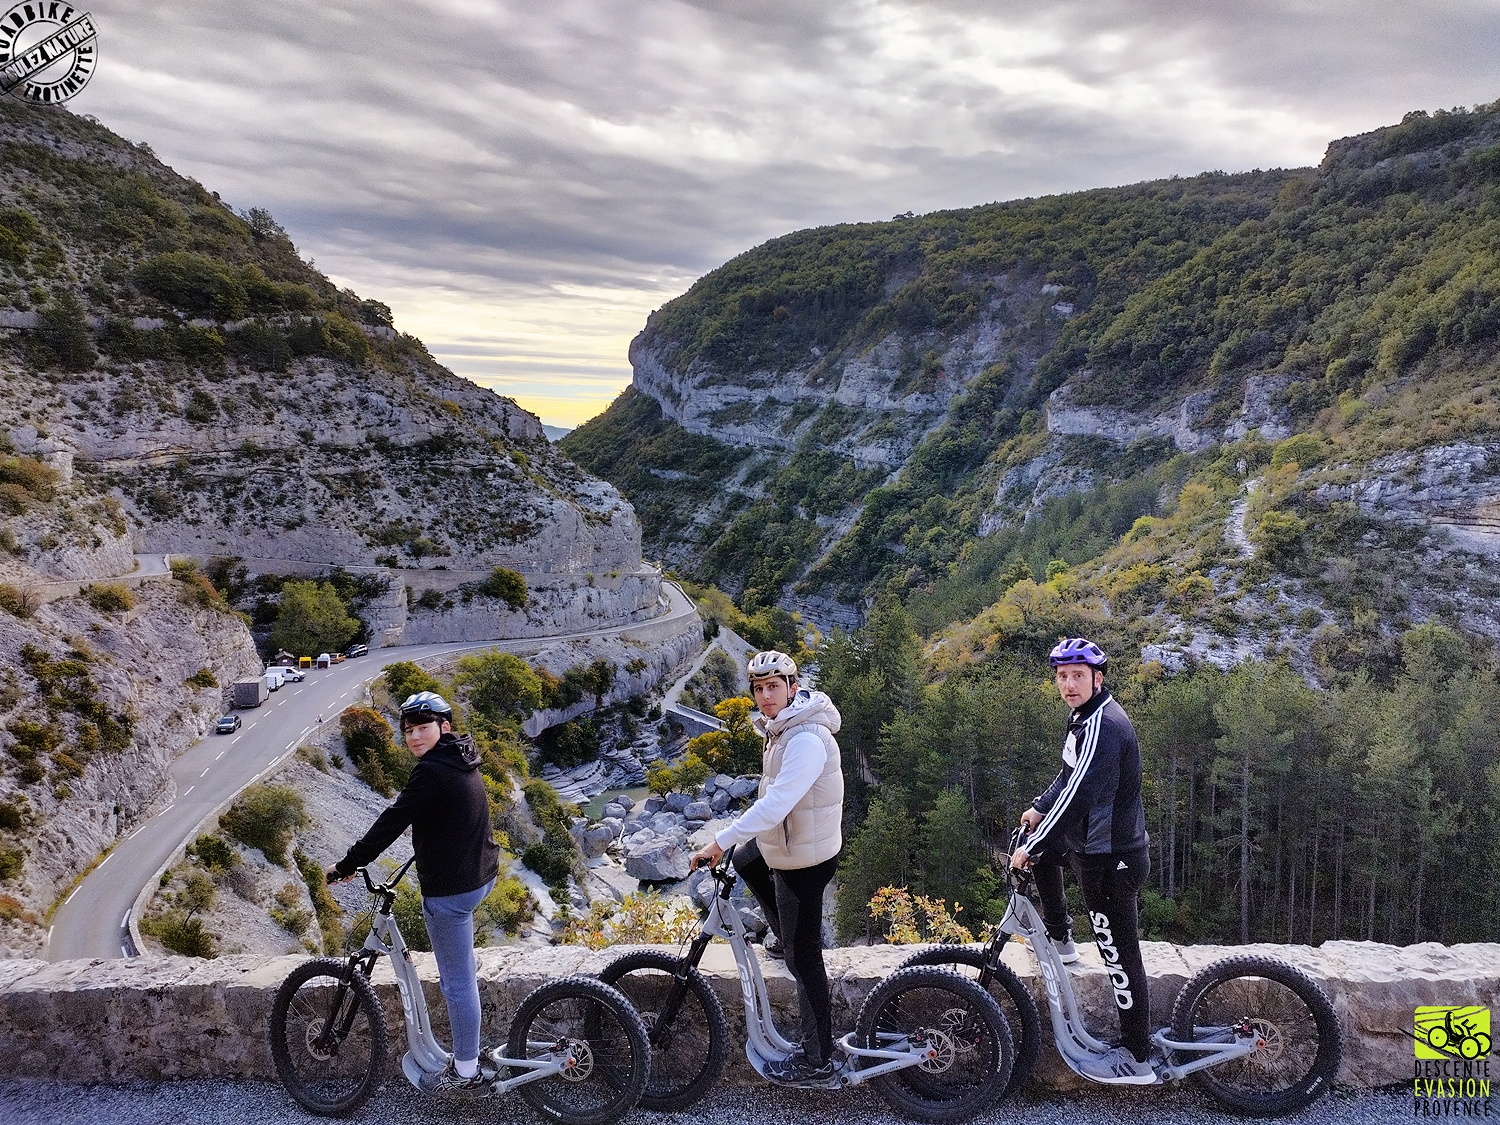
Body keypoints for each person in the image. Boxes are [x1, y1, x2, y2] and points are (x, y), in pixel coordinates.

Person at [326, 690, 500, 1097]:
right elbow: (446, 817)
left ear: (444, 726)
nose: (415, 737)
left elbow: (392, 821)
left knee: (456, 984)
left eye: (423, 728)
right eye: (408, 731)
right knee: (461, 969)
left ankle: (466, 1072)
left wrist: (348, 864)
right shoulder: (460, 755)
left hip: (452, 891)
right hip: (482, 874)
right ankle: (466, 1049)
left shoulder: (431, 771)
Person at [691, 650, 844, 1084]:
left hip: (804, 859)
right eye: (758, 688)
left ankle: (818, 1060)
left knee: (805, 961)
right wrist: (734, 843)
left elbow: (776, 804)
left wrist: (719, 840)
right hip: (792, 842)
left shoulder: (805, 738)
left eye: (773, 686)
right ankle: (783, 934)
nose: (765, 696)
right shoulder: (782, 726)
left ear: (793, 688)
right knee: (746, 860)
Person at [1009, 637, 1154, 1085]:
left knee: (1119, 956)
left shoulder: (1105, 727)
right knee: (1042, 853)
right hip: (1089, 845)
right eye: (1062, 676)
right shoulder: (1083, 717)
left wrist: (1034, 844)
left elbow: (1078, 797)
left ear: (1098, 678)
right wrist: (1038, 809)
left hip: (1112, 860)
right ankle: (1061, 938)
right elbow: (1067, 776)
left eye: (1077, 676)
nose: (1068, 684)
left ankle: (1136, 1057)